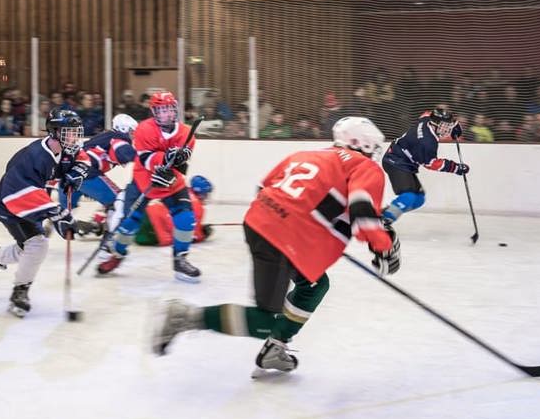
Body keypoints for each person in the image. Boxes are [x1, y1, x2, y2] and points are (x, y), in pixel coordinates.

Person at [149, 116, 397, 376]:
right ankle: (186, 316)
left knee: (314, 285)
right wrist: (383, 247)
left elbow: (263, 187)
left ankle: (275, 349)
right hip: (284, 237)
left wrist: (310, 225)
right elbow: (363, 213)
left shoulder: (305, 154)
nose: (374, 154)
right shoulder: (365, 168)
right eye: (373, 148)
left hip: (261, 222)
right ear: (362, 144)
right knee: (265, 320)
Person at [0, 108, 91, 317]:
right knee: (36, 245)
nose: (75, 137)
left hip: (26, 199)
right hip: (11, 202)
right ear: (55, 132)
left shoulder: (64, 149)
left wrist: (77, 172)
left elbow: (82, 157)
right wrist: (58, 214)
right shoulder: (35, 156)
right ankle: (20, 292)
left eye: (76, 132)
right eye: (69, 132)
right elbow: (21, 193)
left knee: (30, 247)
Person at [96, 91, 200, 282]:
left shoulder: (186, 133)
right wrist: (164, 158)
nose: (167, 114)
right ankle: (117, 255)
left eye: (169, 109)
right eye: (161, 110)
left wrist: (178, 159)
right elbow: (144, 159)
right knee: (128, 224)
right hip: (144, 181)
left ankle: (180, 260)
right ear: (154, 112)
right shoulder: (144, 129)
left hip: (172, 183)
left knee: (186, 219)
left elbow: (181, 164)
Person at [380, 105, 469, 225]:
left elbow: (426, 113)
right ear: (435, 124)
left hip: (404, 162)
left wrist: (454, 125)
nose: (446, 130)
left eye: (447, 126)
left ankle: (389, 211)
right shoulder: (427, 142)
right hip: (395, 160)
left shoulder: (427, 120)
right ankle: (384, 220)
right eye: (444, 127)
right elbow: (431, 164)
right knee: (409, 197)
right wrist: (456, 167)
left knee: (419, 199)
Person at [63, 113, 139, 237]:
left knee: (65, 211)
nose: (133, 136)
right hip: (86, 173)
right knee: (119, 199)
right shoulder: (118, 138)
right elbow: (124, 152)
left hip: (70, 173)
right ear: (123, 129)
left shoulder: (105, 136)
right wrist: (145, 158)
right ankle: (109, 232)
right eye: (131, 132)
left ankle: (96, 223)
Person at [135, 174, 214, 246]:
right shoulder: (197, 205)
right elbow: (191, 235)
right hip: (155, 229)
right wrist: (204, 233)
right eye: (205, 194)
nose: (206, 197)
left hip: (145, 214)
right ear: (200, 193)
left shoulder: (182, 191)